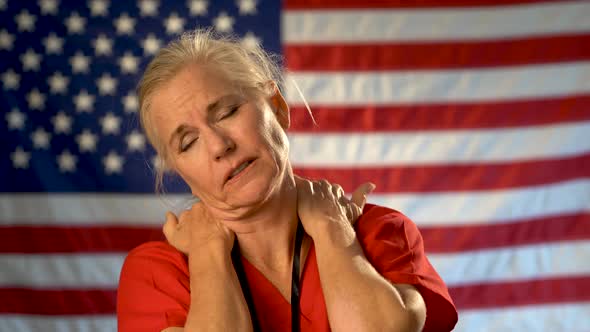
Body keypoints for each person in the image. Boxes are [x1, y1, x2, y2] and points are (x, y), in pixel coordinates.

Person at [117, 29, 458, 332]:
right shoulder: (157, 272)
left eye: (227, 112)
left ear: (277, 106)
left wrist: (331, 230)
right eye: (188, 142)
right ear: (181, 172)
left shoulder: (377, 231)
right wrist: (208, 253)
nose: (220, 146)